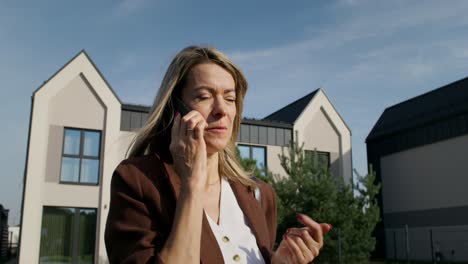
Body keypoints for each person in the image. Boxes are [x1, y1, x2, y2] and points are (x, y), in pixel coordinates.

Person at [105, 46, 332, 264]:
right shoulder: (136, 180)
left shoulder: (259, 194)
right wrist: (192, 184)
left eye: (230, 98)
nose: (221, 110)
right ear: (175, 109)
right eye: (204, 96)